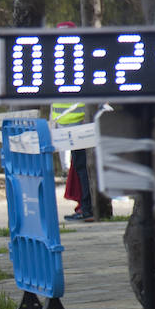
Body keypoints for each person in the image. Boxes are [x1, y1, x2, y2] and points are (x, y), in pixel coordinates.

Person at [53, 21, 93, 223]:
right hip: (66, 127)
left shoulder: (77, 61)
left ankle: (87, 209)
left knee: (82, 168)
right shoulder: (59, 62)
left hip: (80, 126)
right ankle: (84, 207)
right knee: (77, 168)